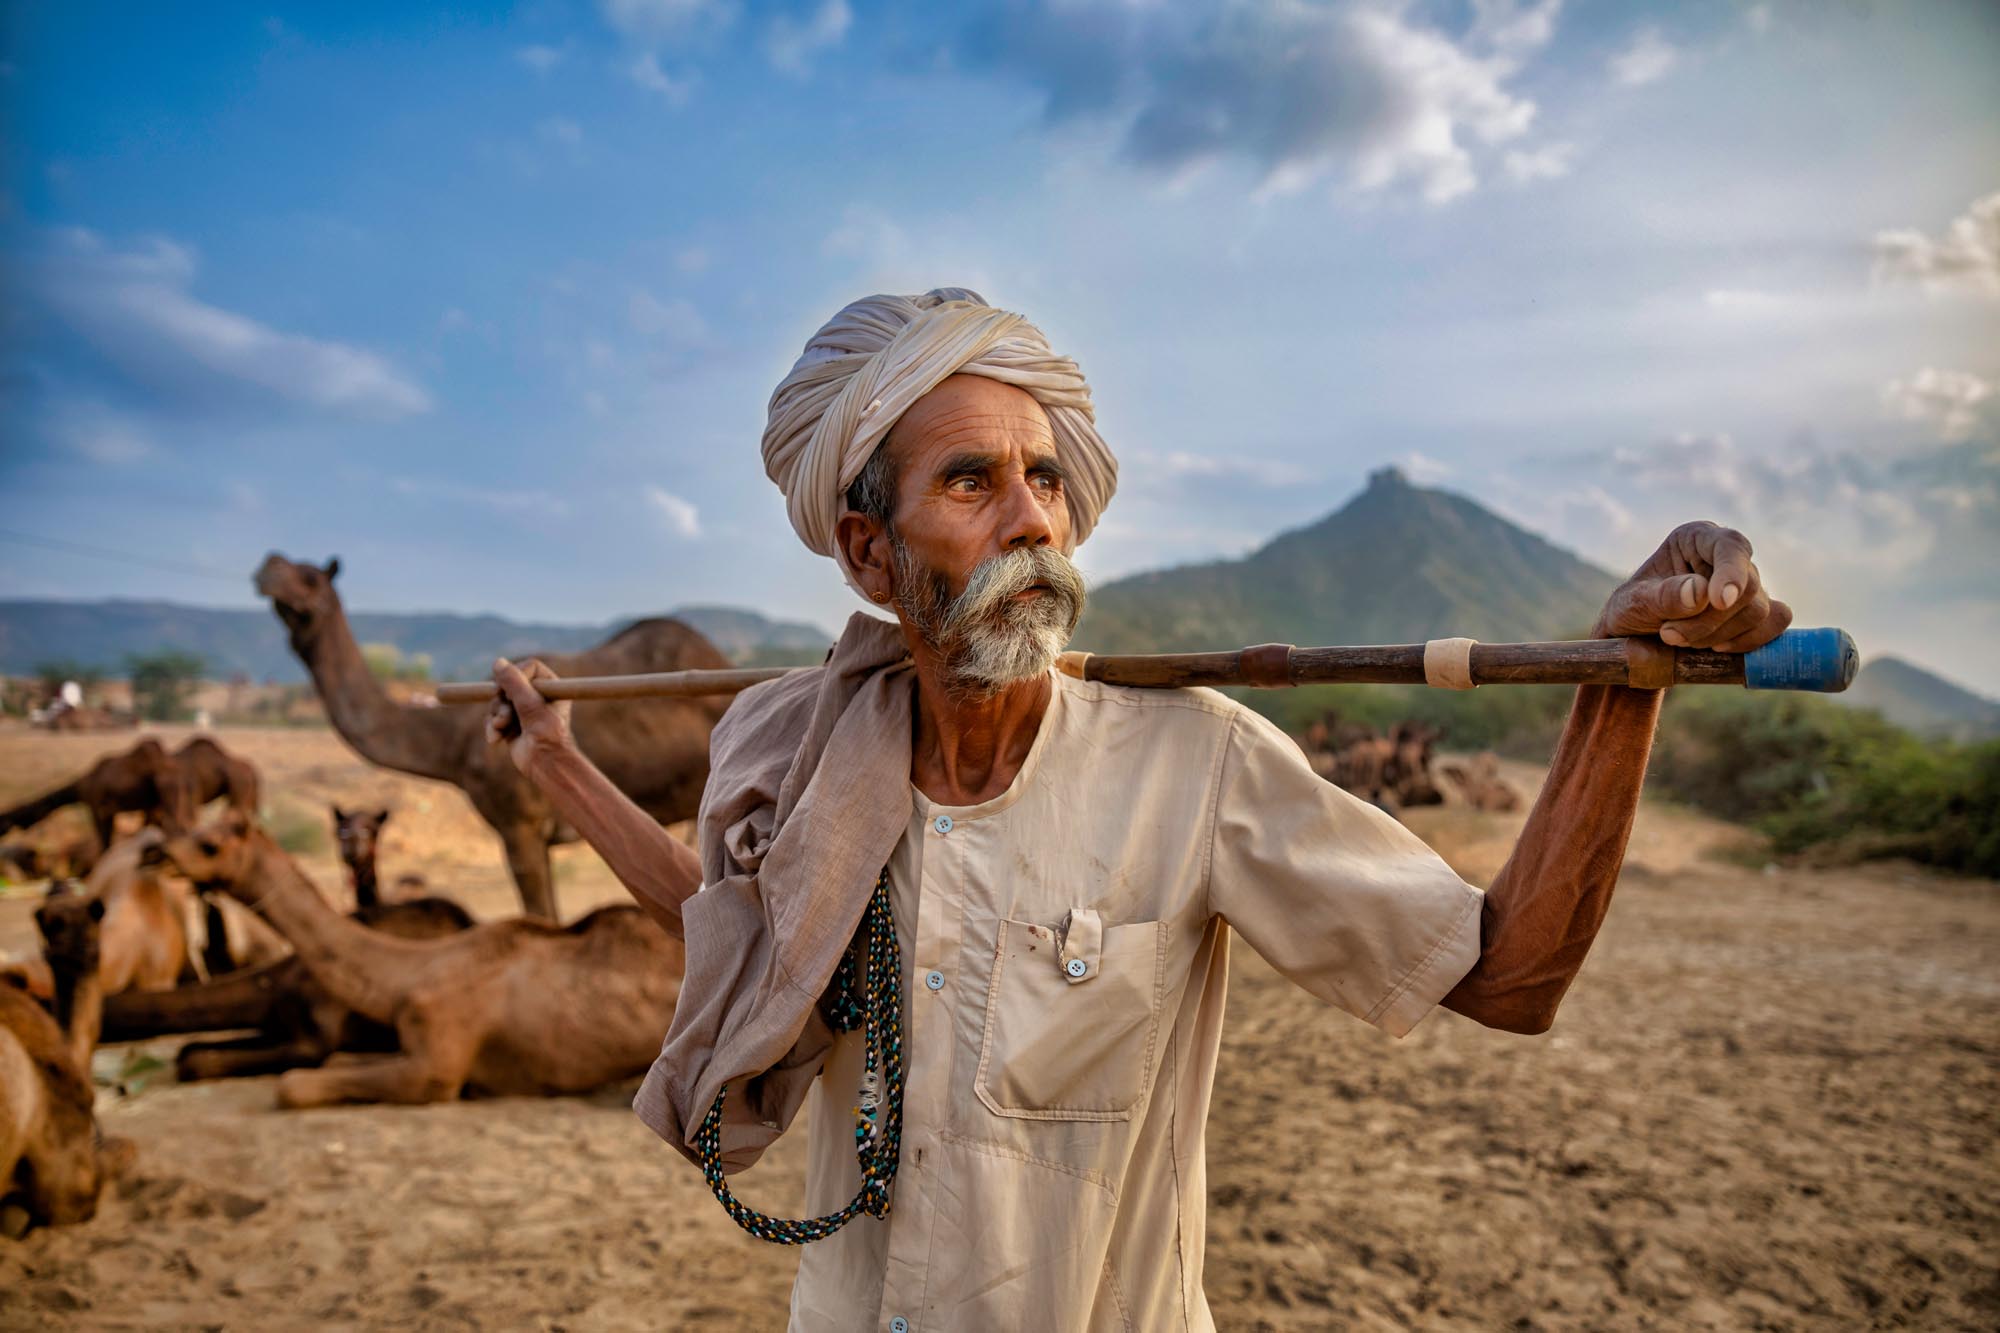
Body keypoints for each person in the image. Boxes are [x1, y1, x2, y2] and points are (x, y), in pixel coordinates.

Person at [486, 289, 1792, 1332]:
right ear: (870, 551)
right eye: (970, 484)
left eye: (1046, 480)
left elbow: (1508, 977)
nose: (1033, 523)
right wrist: (558, 767)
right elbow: (741, 932)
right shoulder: (821, 764)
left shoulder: (1197, 764)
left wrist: (1625, 686)